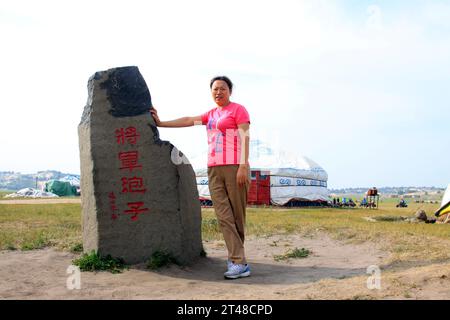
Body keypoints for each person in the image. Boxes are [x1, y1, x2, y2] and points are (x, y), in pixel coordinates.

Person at [150, 76, 251, 279]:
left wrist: (243, 165)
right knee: (223, 216)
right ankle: (238, 261)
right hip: (213, 168)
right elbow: (189, 120)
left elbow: (245, 137)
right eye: (215, 89)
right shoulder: (210, 115)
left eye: (222, 88)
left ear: (230, 91)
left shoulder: (238, 110)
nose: (218, 92)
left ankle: (238, 261)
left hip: (234, 167)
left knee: (237, 216)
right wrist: (161, 123)